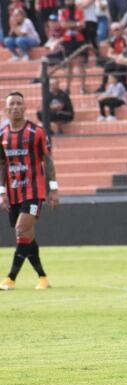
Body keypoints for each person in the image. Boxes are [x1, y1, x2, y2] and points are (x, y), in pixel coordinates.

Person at [0, 92, 59, 291]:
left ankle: (10, 278)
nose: (16, 107)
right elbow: (1, 165)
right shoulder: (2, 135)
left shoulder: (37, 132)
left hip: (34, 190)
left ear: (25, 108)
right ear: (6, 109)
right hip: (14, 191)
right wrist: (1, 192)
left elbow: (48, 161)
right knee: (26, 236)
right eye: (12, 104)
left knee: (20, 229)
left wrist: (53, 189)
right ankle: (42, 277)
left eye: (19, 104)